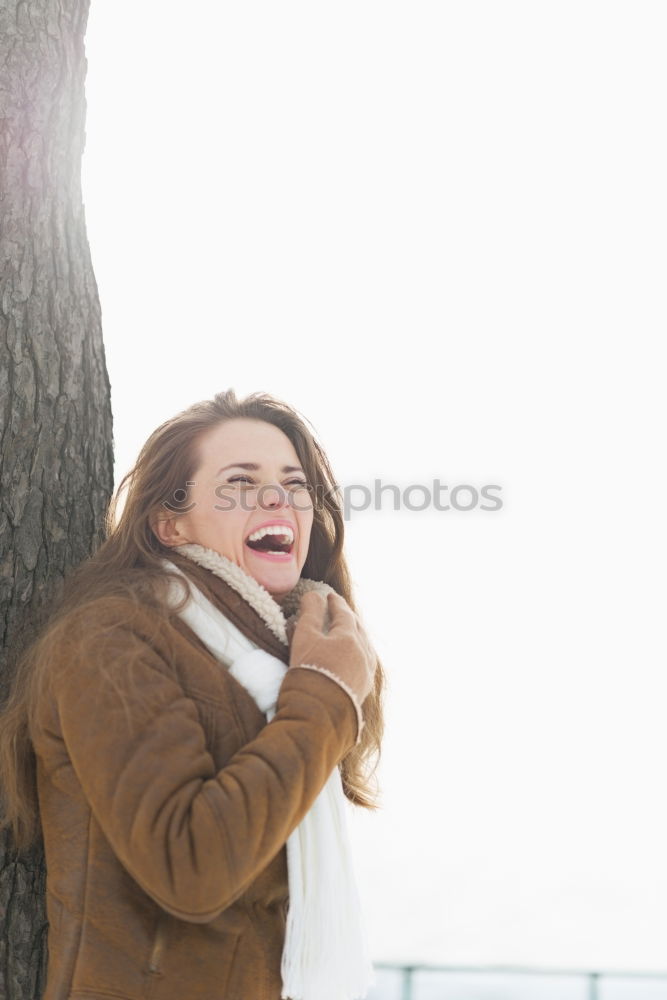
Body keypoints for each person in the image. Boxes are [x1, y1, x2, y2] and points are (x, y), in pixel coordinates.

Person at [0, 389, 386, 1000]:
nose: (276, 498)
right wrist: (326, 696)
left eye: (293, 483)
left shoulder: (282, 656)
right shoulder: (112, 639)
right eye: (240, 481)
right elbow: (191, 868)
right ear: (170, 523)